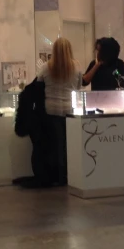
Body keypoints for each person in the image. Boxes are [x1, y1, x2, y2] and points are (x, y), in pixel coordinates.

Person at [36, 37, 82, 186]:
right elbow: (79, 86)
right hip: (69, 109)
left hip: (51, 110)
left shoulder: (46, 67)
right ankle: (70, 175)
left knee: (55, 144)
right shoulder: (76, 66)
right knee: (69, 144)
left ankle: (57, 176)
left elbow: (38, 84)